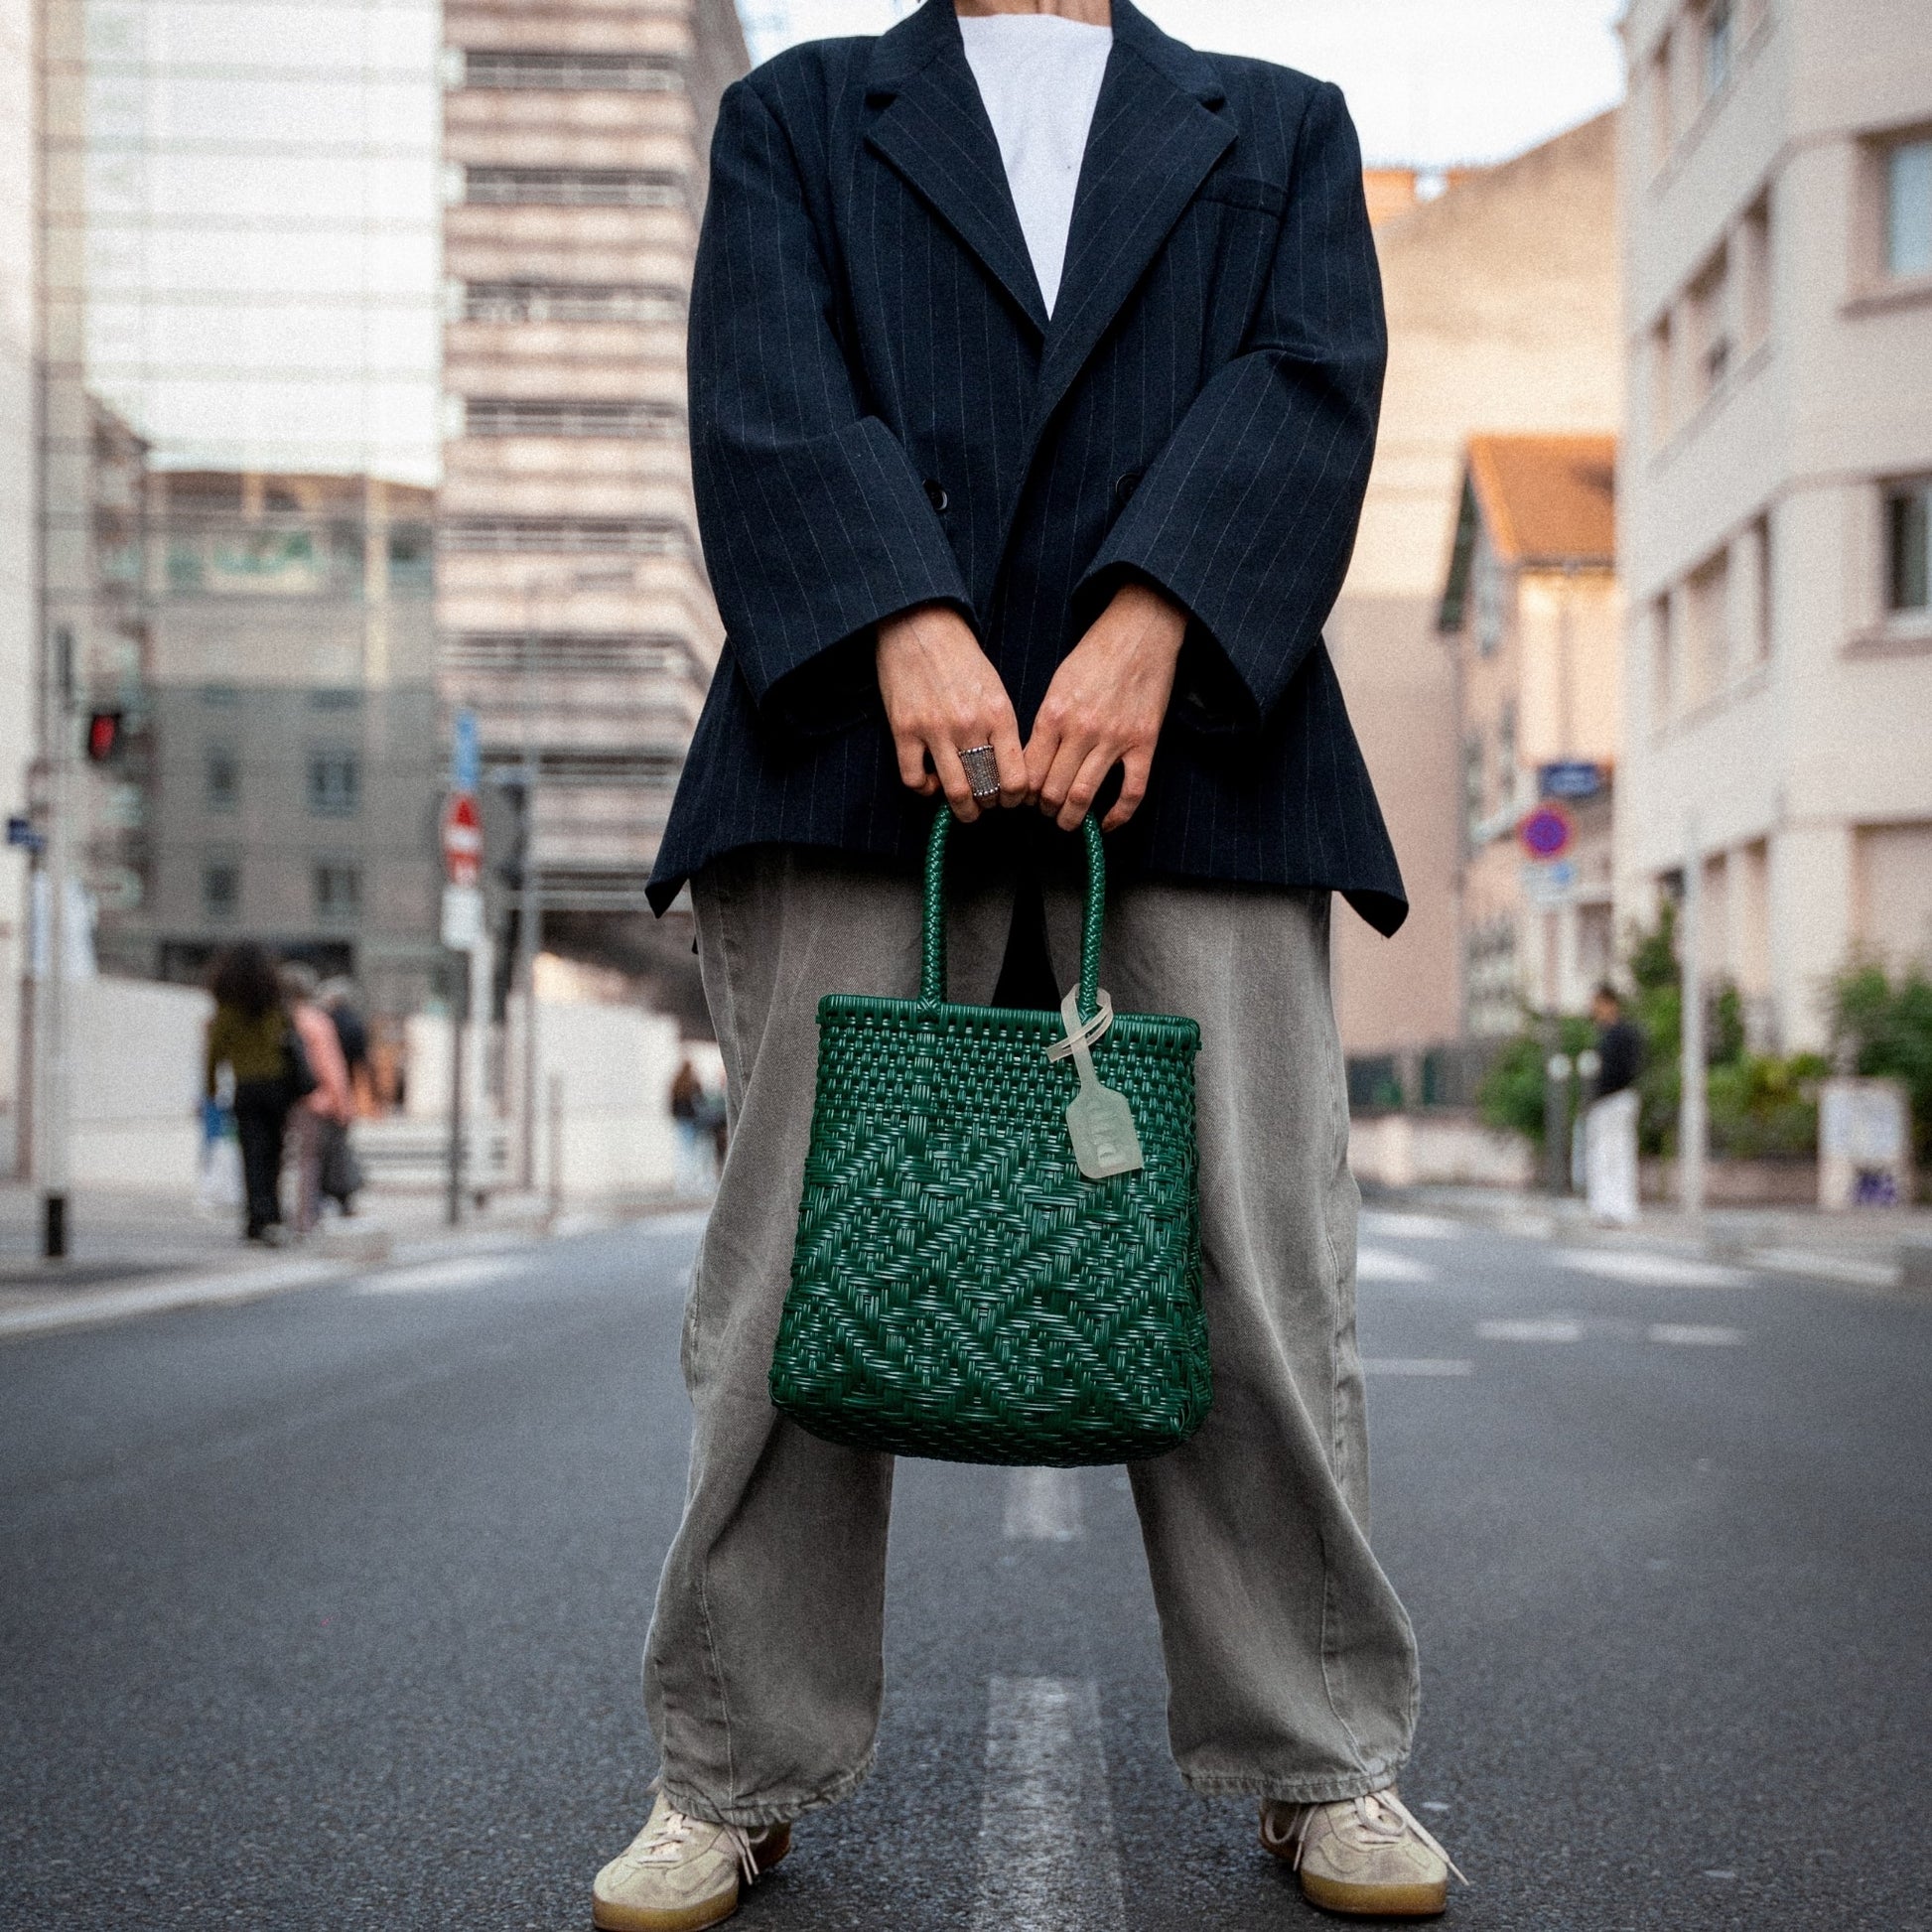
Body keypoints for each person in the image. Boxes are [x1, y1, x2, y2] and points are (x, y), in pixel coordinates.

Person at [593, 2, 1460, 1924]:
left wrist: (1159, 612)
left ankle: (1321, 1755)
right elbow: (761, 383)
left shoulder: (1279, 126)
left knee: (1250, 1270)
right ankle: (728, 1770)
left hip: (1207, 757)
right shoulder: (799, 115)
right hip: (843, 755)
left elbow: (1311, 378)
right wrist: (896, 609)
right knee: (799, 1291)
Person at [205, 944, 292, 1244]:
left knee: (252, 1155)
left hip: (247, 1088)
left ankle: (257, 1217)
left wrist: (212, 1090)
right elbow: (283, 1042)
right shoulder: (274, 1006)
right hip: (277, 1087)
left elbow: (214, 1052)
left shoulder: (227, 1009)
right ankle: (274, 1213)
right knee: (275, 1153)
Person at [279, 963, 353, 1237]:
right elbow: (331, 1067)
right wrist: (342, 1105)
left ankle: (280, 1216)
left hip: (282, 1100)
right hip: (315, 1101)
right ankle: (305, 1219)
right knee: (309, 1162)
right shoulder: (315, 1020)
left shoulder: (278, 1017)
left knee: (282, 1161)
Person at [1585, 984, 1643, 1225]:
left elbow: (1621, 1070)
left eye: (1598, 1004)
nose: (1595, 1009)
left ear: (1609, 1003)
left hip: (1614, 1100)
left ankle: (1613, 1207)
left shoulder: (1618, 1034)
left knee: (1611, 1154)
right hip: (1615, 1099)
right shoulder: (1611, 1033)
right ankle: (1612, 1207)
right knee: (1613, 1153)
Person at [318, 979, 370, 1214]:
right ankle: (342, 1197)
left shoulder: (324, 1022)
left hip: (321, 1093)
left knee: (322, 1149)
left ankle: (324, 1195)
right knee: (339, 1146)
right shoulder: (354, 1024)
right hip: (342, 1090)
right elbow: (362, 1061)